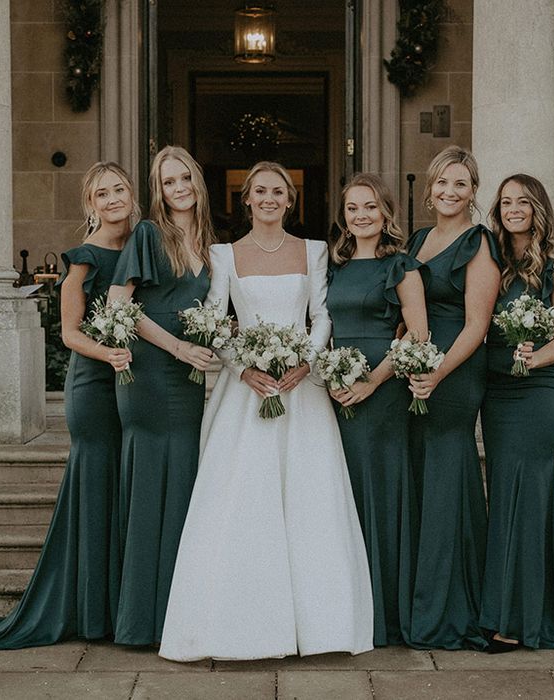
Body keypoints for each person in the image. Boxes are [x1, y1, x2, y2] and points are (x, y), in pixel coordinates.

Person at [159, 162, 373, 662]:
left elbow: (321, 314)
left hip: (303, 391)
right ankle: (243, 625)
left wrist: (304, 362)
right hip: (247, 393)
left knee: (309, 501)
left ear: (291, 199)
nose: (270, 198)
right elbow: (215, 318)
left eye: (279, 191)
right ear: (246, 199)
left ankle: (322, 626)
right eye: (260, 191)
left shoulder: (314, 251)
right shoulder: (224, 255)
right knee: (243, 500)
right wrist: (242, 368)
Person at [0, 162, 138, 649]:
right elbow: (70, 333)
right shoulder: (82, 259)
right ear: (89, 205)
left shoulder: (145, 246)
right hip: (95, 387)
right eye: (102, 194)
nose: (113, 199)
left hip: (136, 388)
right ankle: (91, 612)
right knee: (97, 494)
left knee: (126, 492)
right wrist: (111, 353)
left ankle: (123, 604)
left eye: (119, 189)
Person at [479, 174, 554, 652]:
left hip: (536, 394)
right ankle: (513, 610)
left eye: (522, 201)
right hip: (496, 397)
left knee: (527, 500)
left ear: (537, 209)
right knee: (505, 496)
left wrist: (529, 358)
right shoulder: (493, 261)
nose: (513, 209)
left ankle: (517, 623)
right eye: (505, 201)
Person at [108, 146, 216, 646]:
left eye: (184, 179)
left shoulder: (212, 242)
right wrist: (177, 347)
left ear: (197, 182)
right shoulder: (150, 234)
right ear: (159, 189)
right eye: (167, 182)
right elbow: (119, 306)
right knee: (152, 487)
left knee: (185, 487)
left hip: (190, 378)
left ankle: (179, 615)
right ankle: (138, 622)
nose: (177, 189)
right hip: (151, 373)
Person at [401, 146, 500, 650]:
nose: (448, 192)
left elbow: (477, 325)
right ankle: (419, 603)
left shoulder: (478, 243)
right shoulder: (419, 240)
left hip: (454, 373)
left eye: (460, 184)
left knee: (445, 477)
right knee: (420, 478)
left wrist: (436, 373)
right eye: (442, 182)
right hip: (415, 370)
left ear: (473, 191)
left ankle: (448, 611)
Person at [326, 173, 428, 646]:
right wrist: (331, 376)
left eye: (369, 207)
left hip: (382, 394)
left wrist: (373, 381)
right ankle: (347, 609)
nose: (360, 216)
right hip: (337, 389)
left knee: (381, 492)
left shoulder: (402, 266)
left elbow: (418, 333)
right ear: (343, 216)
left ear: (385, 213)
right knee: (342, 495)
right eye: (352, 208)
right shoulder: (336, 267)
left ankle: (385, 614)